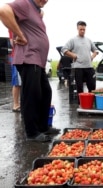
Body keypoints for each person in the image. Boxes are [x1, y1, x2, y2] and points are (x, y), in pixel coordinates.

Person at [0, 0, 60, 142]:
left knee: (46, 92)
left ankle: (43, 127)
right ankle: (32, 132)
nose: (46, 1)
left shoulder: (35, 10)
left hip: (38, 61)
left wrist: (39, 13)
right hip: (28, 58)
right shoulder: (25, 4)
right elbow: (3, 11)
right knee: (31, 95)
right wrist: (19, 35)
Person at [61, 21, 98, 103]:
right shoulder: (73, 40)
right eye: (81, 29)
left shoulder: (88, 40)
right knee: (79, 88)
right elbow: (64, 49)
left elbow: (95, 50)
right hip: (78, 68)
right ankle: (81, 104)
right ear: (77, 29)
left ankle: (91, 103)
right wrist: (73, 55)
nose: (82, 31)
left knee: (92, 86)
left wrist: (92, 56)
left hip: (89, 67)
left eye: (84, 29)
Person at [8, 30, 21, 113]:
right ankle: (15, 104)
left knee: (21, 83)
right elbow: (12, 43)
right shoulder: (12, 27)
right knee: (16, 82)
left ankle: (19, 103)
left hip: (22, 57)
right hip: (16, 57)